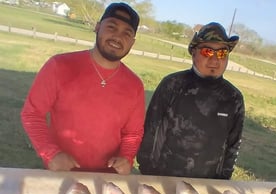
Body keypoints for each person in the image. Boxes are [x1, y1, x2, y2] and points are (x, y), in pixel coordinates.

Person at [21, 2, 144, 175]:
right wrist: (51, 154)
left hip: (108, 179)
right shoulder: (60, 66)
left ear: (132, 42)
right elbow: (32, 114)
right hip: (63, 171)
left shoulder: (134, 85)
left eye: (127, 33)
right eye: (111, 27)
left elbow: (133, 133)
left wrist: (127, 157)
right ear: (97, 27)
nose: (118, 37)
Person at [137, 22, 245, 179]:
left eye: (222, 53)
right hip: (162, 179)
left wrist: (222, 181)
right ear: (194, 53)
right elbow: (151, 131)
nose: (215, 59)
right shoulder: (172, 85)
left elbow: (233, 146)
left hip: (207, 185)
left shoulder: (233, 98)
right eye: (208, 51)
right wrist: (148, 172)